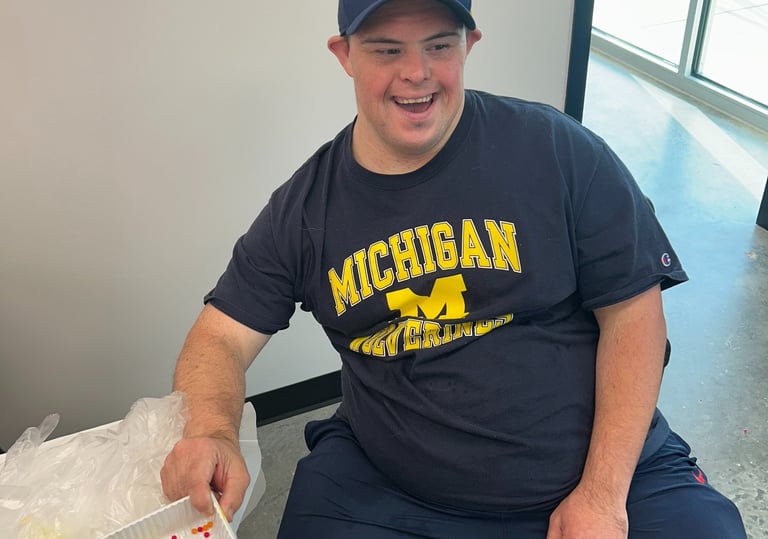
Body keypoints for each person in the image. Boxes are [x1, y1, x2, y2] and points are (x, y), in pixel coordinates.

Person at [160, 1, 748, 537]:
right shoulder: (304, 210)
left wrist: (602, 494)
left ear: (469, 44)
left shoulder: (558, 151)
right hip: (392, 490)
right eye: (387, 50)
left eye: (439, 46)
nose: (416, 73)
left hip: (610, 473)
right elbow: (219, 337)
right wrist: (212, 430)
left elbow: (635, 314)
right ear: (345, 56)